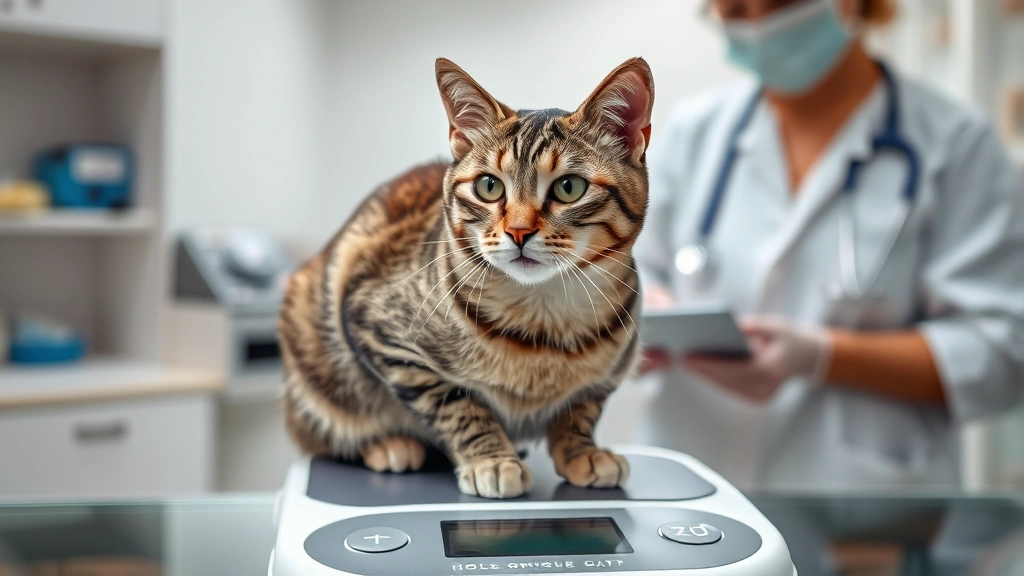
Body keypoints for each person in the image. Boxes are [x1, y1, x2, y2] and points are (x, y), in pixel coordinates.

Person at [634, 0, 1024, 490]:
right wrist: (633, 320)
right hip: (688, 487)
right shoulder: (694, 132)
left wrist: (822, 357)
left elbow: (1002, 352)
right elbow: (624, 273)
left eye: (780, 3)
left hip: (864, 511)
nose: (758, 26)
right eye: (735, 9)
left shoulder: (955, 142)